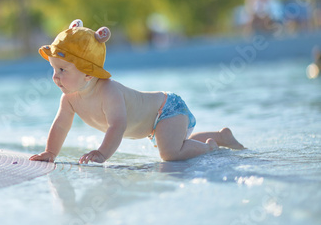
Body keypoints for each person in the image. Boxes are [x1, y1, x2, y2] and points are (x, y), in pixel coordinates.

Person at [29, 20, 244, 164]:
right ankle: (221, 136)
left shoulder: (109, 92)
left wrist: (102, 153)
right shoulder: (68, 99)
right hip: (153, 124)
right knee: (174, 142)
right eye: (54, 69)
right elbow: (60, 126)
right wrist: (50, 153)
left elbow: (118, 125)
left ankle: (210, 148)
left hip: (167, 109)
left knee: (169, 153)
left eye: (62, 70)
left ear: (88, 74)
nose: (55, 76)